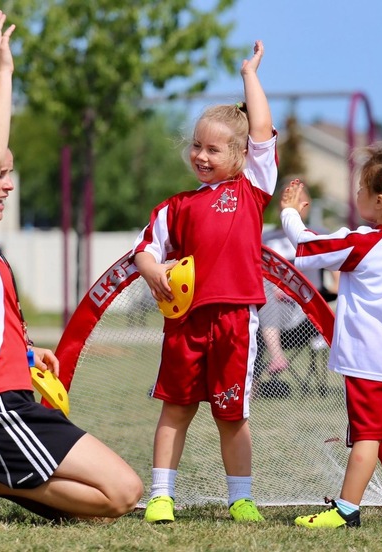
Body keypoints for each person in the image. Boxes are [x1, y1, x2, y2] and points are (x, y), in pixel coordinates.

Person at [0, 10, 142, 527]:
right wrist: (3, 73)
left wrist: (24, 350)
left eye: (10, 173)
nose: (6, 182)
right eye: (1, 174)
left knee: (117, 499)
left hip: (4, 398)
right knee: (119, 496)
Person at [132, 40, 276, 524]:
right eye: (196, 145)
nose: (200, 154)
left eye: (213, 148)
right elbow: (145, 248)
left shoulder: (251, 189)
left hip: (236, 319)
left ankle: (240, 497)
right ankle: (160, 495)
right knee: (176, 410)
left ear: (241, 155)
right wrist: (150, 266)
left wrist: (248, 75)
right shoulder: (177, 206)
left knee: (231, 416)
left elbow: (260, 130)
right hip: (185, 324)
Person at [281, 145, 382, 531]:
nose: (355, 196)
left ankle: (346, 510)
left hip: (367, 361)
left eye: (359, 188)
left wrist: (289, 212)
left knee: (367, 436)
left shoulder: (362, 242)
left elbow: (307, 247)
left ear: (380, 199)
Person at [258, 184, 338, 380]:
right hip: (265, 310)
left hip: (304, 312)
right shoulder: (265, 238)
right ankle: (250, 385)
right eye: (287, 198)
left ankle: (275, 358)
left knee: (268, 286)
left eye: (297, 198)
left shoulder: (317, 236)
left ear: (306, 204)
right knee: (264, 284)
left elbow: (338, 284)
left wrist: (293, 290)